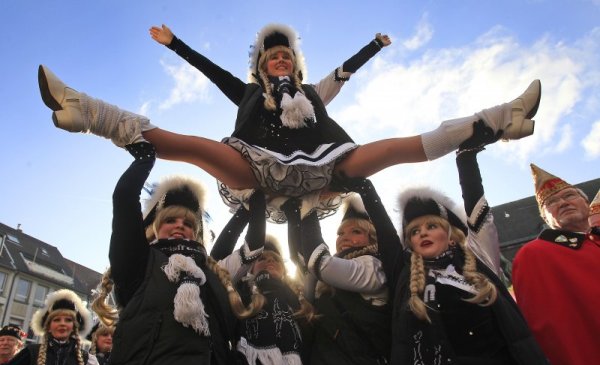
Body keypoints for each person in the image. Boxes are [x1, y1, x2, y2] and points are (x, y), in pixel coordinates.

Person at [38, 23, 541, 223]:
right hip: (258, 168)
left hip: (325, 166)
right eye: (271, 56)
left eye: (285, 56)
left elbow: (344, 74)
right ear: (260, 66)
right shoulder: (250, 94)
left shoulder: (314, 94)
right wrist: (175, 46)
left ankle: (502, 120)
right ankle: (87, 112)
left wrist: (373, 46)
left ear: (293, 64)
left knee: (394, 147)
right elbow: (212, 72)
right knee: (187, 144)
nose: (279, 60)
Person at [327, 122, 556, 365]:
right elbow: (388, 237)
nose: (422, 234)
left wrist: (466, 158)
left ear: (449, 234)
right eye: (414, 231)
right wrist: (365, 190)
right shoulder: (404, 271)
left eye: (431, 226)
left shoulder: (477, 258)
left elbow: (478, 215)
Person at [89, 141, 240, 365]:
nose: (181, 225)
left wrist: (250, 206)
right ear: (156, 227)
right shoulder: (139, 262)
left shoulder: (212, 272)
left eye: (189, 223)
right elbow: (124, 199)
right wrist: (144, 162)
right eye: (171, 219)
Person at [289, 193, 393, 365]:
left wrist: (310, 209)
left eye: (355, 231)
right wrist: (292, 209)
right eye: (340, 233)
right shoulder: (328, 276)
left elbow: (320, 263)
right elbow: (301, 257)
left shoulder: (373, 267)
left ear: (371, 237)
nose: (345, 237)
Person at [211, 194, 314, 365]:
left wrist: (294, 213)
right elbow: (217, 261)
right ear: (250, 268)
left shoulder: (300, 294)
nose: (269, 262)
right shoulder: (237, 292)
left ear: (284, 269)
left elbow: (301, 257)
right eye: (262, 259)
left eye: (275, 259)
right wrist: (248, 209)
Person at [512, 164, 600, 365]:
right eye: (551, 202)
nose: (562, 202)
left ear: (586, 204)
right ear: (546, 218)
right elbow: (544, 327)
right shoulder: (534, 254)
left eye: (570, 195)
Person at [0, 289, 103, 365]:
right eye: (57, 320)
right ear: (48, 327)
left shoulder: (87, 359)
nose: (62, 323)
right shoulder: (31, 353)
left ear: (74, 327)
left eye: (68, 320)